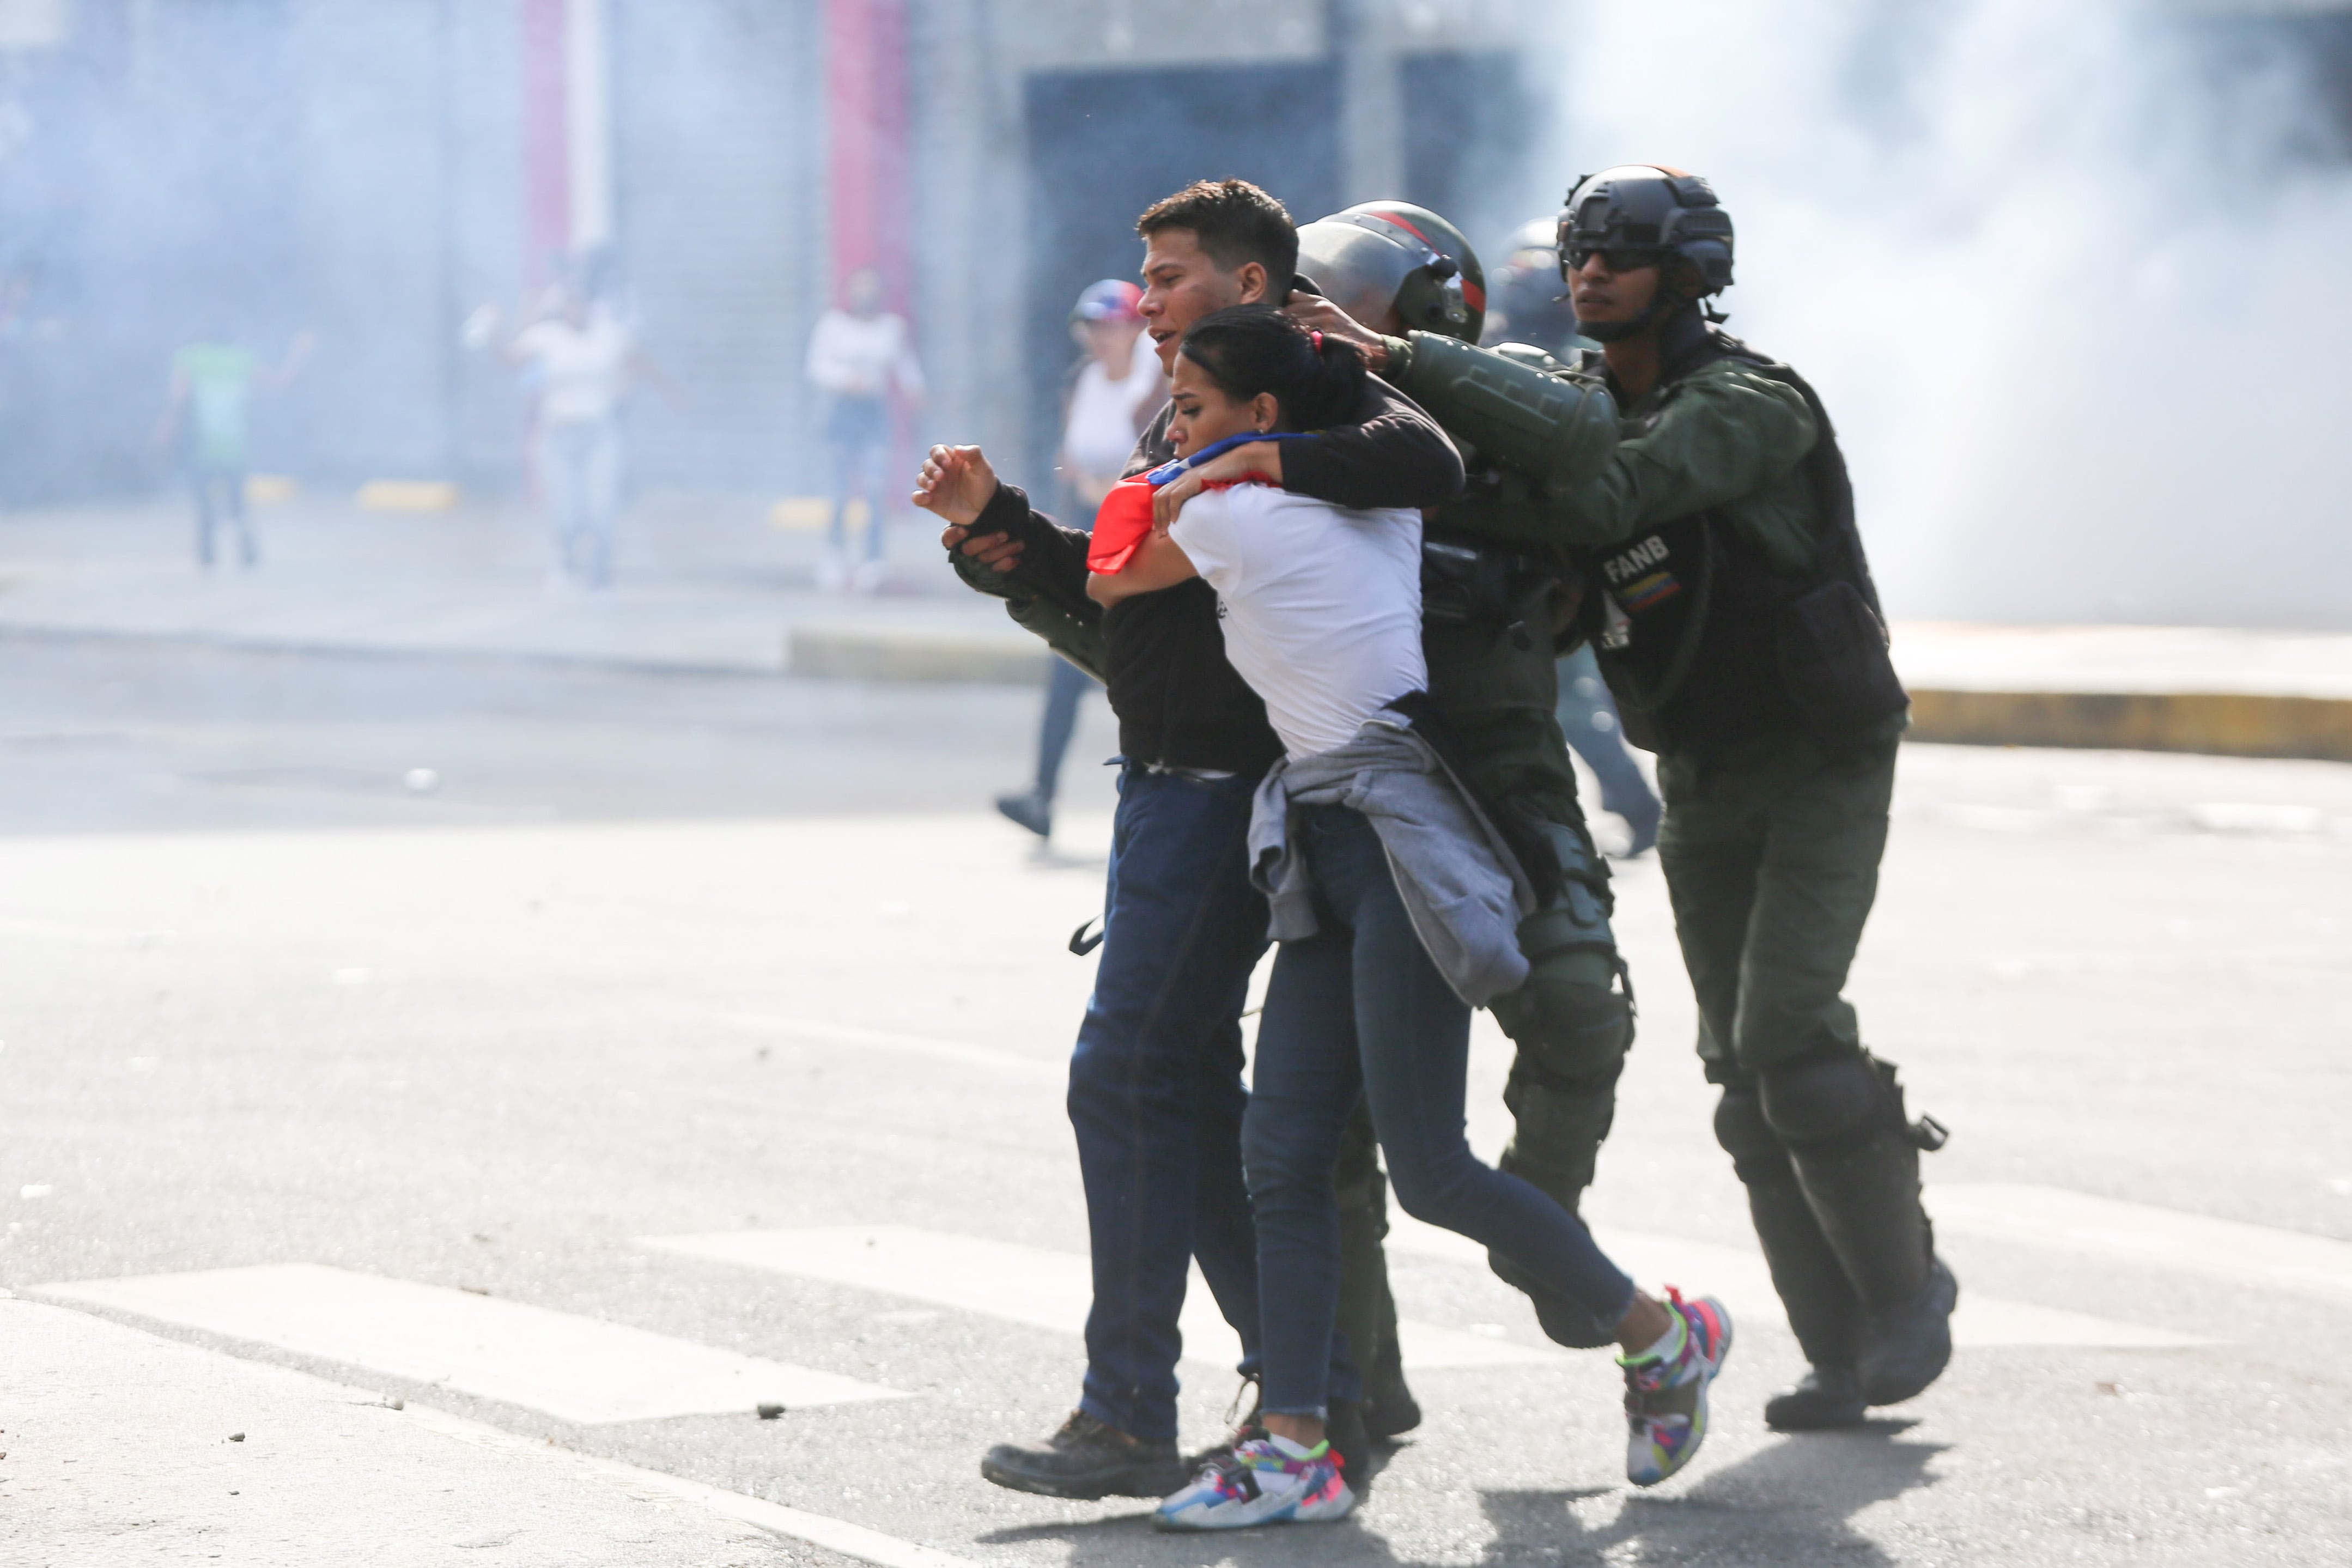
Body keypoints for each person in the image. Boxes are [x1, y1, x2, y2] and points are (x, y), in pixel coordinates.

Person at [1311, 165, 1956, 1431]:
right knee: (1738, 1070)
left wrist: (1407, 375)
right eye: (1577, 252)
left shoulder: (1747, 404)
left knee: (1789, 1042)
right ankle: (1836, 1356)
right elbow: (1534, 478)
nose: (1589, 272)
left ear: (1690, 272)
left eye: (1621, 253)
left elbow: (1604, 490)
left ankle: (1905, 1296)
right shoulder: (1574, 394)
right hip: (1704, 761)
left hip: (1818, 751)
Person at [1086, 306, 1729, 1530]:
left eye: (1196, 408)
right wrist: (1249, 442)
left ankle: (1661, 1332)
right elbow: (1409, 443)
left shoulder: (1237, 514)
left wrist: (1199, 472)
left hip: (1389, 835)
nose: (1175, 429)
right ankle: (1295, 1449)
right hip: (1329, 832)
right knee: (1280, 1156)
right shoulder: (1366, 493)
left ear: (1263, 419)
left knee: (1428, 1167)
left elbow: (1112, 570)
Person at [917, 179, 1461, 1502]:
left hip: (1225, 791)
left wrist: (1249, 456)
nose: (1145, 301)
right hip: (1161, 785)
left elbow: (1427, 462)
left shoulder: (1305, 386)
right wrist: (994, 529)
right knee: (1182, 1095)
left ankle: (1133, 1410)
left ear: (1253, 286)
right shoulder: (1181, 410)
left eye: (1168, 277)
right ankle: (1312, 1394)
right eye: (1144, 278)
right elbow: (1115, 590)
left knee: (1125, 1075)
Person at [1287, 202, 1646, 1349]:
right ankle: (1355, 1386)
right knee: (1326, 1118)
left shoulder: (1504, 393)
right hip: (1357, 782)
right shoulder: (1286, 420)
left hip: (1504, 769)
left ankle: (1541, 1231)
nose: (1324, 311)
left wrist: (1396, 367)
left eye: (1356, 293)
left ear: (1434, 310)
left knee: (1581, 1010)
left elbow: (1583, 445)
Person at [994, 279, 1163, 841]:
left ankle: (1151, 796)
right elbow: (1071, 463)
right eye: (1093, 327)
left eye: (1111, 326)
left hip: (1144, 549)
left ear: (1136, 328)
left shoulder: (1157, 384)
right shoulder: (1083, 382)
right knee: (1067, 665)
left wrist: (1110, 491)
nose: (1101, 338)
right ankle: (1041, 794)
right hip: (1092, 543)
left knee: (1141, 671)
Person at [509, 287, 641, 591]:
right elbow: (512, 357)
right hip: (558, 434)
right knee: (564, 509)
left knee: (602, 507)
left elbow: (634, 360)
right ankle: (567, 560)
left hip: (599, 434)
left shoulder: (609, 335)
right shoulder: (546, 336)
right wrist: (508, 323)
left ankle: (601, 572)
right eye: (571, 305)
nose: (576, 311)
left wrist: (625, 385)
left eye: (582, 304)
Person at [807, 266, 925, 595]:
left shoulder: (891, 328)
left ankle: (874, 559)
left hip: (874, 413)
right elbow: (817, 367)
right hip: (841, 412)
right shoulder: (833, 325)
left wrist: (916, 390)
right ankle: (835, 554)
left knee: (875, 487)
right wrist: (847, 380)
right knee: (839, 488)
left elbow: (905, 363)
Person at [153, 330, 313, 568]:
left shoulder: (189, 359)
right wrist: (299, 352)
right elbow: (282, 382)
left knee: (205, 509)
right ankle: (247, 555)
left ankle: (208, 561)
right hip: (234, 445)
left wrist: (164, 432)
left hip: (201, 446)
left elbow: (177, 400)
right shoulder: (241, 360)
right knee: (239, 507)